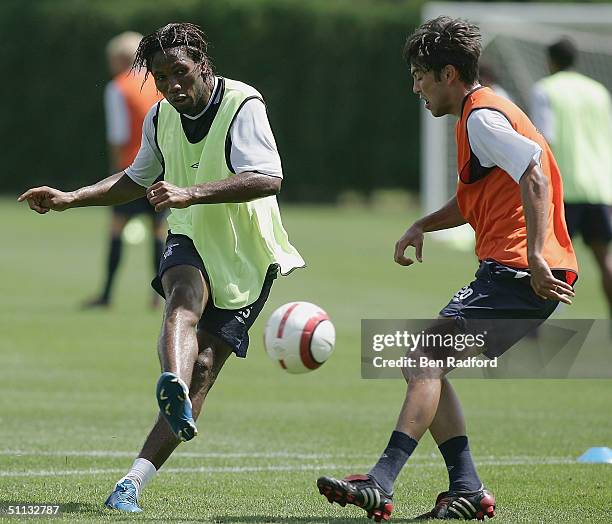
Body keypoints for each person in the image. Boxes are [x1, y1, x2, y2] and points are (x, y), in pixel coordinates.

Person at [19, 22, 304, 513]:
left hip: (249, 252)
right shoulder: (159, 117)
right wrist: (71, 198)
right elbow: (135, 179)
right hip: (191, 230)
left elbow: (268, 178)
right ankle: (168, 392)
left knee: (207, 369)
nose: (173, 84)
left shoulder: (242, 104)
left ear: (203, 66)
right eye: (161, 75)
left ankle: (138, 470)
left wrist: (190, 190)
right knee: (182, 303)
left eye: (180, 72)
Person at [317, 17, 577, 521]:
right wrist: (421, 224)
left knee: (423, 357)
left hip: (520, 274)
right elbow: (472, 200)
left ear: (449, 73)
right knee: (427, 361)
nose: (416, 87)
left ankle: (382, 479)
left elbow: (535, 172)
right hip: (511, 273)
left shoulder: (482, 117)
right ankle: (466, 488)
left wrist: (538, 255)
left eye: (420, 75)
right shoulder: (480, 116)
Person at [531, 37, 612, 319]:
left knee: (547, 260)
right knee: (605, 260)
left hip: (563, 189)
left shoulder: (546, 89)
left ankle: (534, 328)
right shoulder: (598, 91)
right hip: (600, 187)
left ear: (550, 61)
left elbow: (544, 138)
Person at [84, 31, 165, 309]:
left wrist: (115, 170)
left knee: (117, 229)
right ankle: (159, 296)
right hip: (163, 168)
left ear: (120, 59)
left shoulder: (118, 87)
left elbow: (118, 135)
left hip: (133, 168)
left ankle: (106, 294)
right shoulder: (158, 83)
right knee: (160, 231)